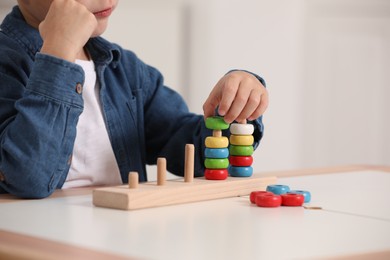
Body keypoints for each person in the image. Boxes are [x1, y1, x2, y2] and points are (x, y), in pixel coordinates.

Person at [0, 0, 268, 198]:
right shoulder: (6, 64)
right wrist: (58, 54)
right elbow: (28, 177)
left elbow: (189, 152)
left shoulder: (126, 70)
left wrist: (233, 111)